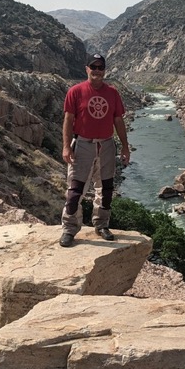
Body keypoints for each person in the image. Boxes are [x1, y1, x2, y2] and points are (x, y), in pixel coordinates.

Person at [59, 53, 130, 247]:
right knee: (75, 190)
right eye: (93, 67)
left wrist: (124, 146)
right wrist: (66, 146)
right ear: (87, 69)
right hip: (82, 144)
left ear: (105, 70)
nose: (97, 71)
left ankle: (102, 225)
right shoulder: (76, 91)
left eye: (101, 67)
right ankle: (69, 229)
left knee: (106, 188)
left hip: (106, 144)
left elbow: (118, 121)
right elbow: (68, 120)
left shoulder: (113, 93)